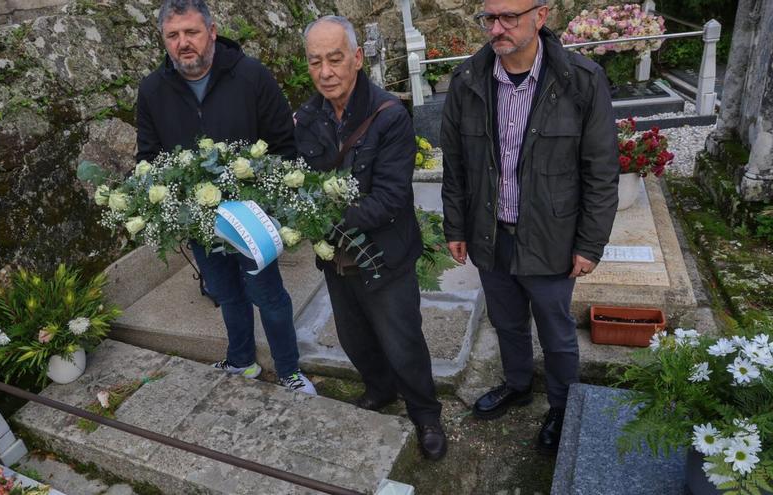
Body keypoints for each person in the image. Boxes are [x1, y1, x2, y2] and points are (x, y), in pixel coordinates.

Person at [440, 0, 619, 453]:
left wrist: (590, 244)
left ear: (541, 16)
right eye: (488, 19)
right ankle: (518, 384)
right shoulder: (467, 81)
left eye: (509, 18)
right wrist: (456, 227)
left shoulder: (580, 79)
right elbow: (456, 165)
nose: (496, 29)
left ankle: (562, 405)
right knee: (507, 322)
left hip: (552, 236)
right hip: (490, 231)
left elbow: (600, 170)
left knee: (557, 333)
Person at [136, 0, 315, 394]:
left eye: (192, 32)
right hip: (199, 222)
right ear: (164, 40)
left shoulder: (251, 76)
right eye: (173, 35)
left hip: (252, 217)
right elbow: (147, 157)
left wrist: (274, 204)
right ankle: (242, 361)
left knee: (267, 294)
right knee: (224, 292)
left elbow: (285, 144)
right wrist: (169, 201)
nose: (184, 43)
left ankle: (289, 371)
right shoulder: (152, 90)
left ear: (212, 32)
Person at [294, 16, 447, 460]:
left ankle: (425, 413)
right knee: (354, 337)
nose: (326, 72)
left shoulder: (390, 116)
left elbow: (391, 198)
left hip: (385, 256)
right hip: (337, 260)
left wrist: (318, 216)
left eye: (335, 59)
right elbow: (300, 181)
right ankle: (380, 390)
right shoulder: (307, 117)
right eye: (316, 61)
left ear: (357, 59)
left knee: (403, 341)